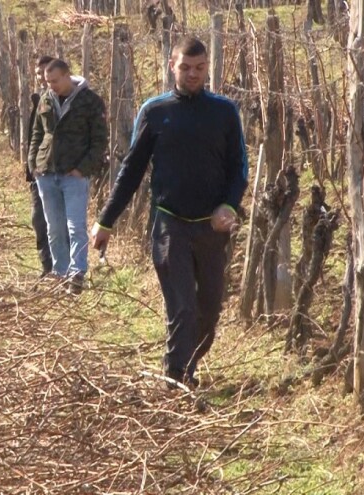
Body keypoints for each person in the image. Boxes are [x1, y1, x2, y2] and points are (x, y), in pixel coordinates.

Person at [91, 37, 248, 389]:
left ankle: (185, 363)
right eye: (185, 68)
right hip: (168, 222)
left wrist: (228, 205)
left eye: (200, 68)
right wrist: (106, 220)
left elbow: (239, 167)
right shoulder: (155, 111)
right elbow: (131, 170)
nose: (193, 75)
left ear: (207, 67)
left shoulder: (224, 112)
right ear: (171, 66)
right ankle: (177, 378)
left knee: (209, 312)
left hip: (211, 226)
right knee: (183, 306)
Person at [28, 59, 108, 294]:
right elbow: (37, 132)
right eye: (47, 81)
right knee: (54, 227)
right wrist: (34, 162)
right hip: (46, 172)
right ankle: (60, 273)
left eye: (54, 81)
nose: (50, 85)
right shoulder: (45, 99)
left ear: (67, 76)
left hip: (74, 174)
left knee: (75, 226)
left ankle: (77, 273)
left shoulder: (90, 101)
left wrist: (83, 168)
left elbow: (100, 140)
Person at [25, 55, 56, 278]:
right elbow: (33, 137)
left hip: (62, 170)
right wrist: (31, 166)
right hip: (39, 171)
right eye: (39, 73)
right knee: (39, 218)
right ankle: (47, 266)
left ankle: (62, 267)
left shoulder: (68, 100)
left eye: (47, 73)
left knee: (59, 221)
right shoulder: (37, 101)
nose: (43, 78)